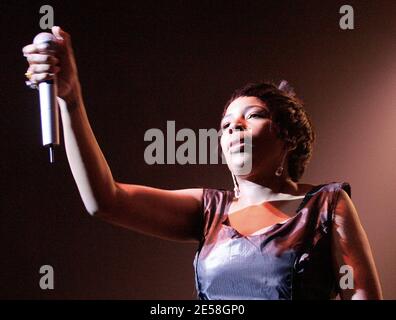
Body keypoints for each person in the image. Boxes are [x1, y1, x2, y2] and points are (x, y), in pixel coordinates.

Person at [22, 26, 383, 300]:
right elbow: (105, 200)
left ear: (288, 137)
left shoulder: (327, 204)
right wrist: (70, 100)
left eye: (252, 116)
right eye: (226, 124)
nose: (233, 126)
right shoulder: (210, 210)